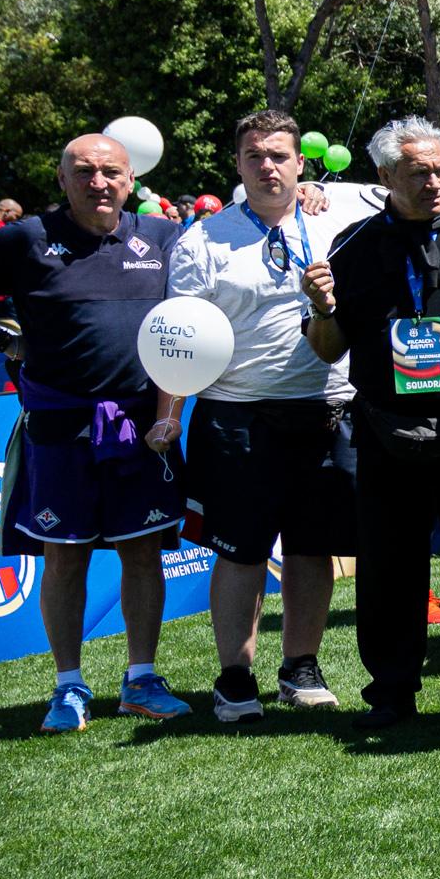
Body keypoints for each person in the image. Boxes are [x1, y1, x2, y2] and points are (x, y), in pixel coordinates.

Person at [0, 131, 190, 731]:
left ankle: (142, 678)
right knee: (65, 554)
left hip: (140, 425)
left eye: (110, 172)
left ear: (132, 181)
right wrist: (1, 338)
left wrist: (311, 193)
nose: (98, 182)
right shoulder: (28, 237)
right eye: (84, 171)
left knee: (142, 551)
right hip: (58, 425)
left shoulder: (163, 237)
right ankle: (68, 686)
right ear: (62, 179)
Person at [304, 115, 440, 730]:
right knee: (389, 568)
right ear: (384, 176)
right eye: (418, 172)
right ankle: (393, 690)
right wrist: (321, 306)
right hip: (383, 426)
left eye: (439, 169)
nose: (434, 181)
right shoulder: (353, 244)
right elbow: (326, 345)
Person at [171, 109, 371, 718]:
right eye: (255, 155)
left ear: (300, 163)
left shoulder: (339, 220)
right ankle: (235, 674)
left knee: (314, 548)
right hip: (236, 414)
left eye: (279, 155)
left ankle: (299, 667)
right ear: (237, 164)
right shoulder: (202, 239)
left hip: (327, 409)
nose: (268, 166)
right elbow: (178, 335)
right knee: (240, 551)